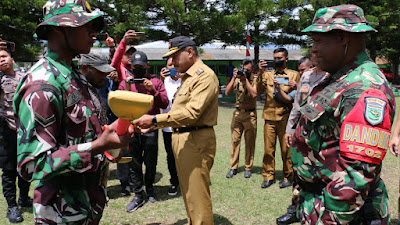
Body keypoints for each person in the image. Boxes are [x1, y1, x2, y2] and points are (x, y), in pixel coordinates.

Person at [13, 1, 133, 224]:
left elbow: (82, 132)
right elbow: (32, 165)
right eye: (85, 26)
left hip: (87, 204)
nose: (93, 33)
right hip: (60, 212)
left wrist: (112, 135)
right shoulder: (42, 82)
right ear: (59, 28)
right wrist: (98, 146)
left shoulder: (73, 76)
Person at [292, 5, 394, 224]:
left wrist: (328, 219)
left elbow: (356, 174)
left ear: (341, 37)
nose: (313, 49)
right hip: (318, 199)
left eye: (317, 41)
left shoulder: (363, 87)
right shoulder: (341, 78)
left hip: (340, 213)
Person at [134, 36, 219, 225]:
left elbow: (191, 113)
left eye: (175, 56)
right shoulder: (187, 77)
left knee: (197, 196)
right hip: (183, 137)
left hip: (195, 138)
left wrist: (155, 120)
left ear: (189, 52)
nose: (171, 62)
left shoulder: (203, 75)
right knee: (189, 193)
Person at [276, 56, 327, 225]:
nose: (316, 52)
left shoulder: (332, 75)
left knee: (319, 177)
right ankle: (295, 210)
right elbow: (297, 105)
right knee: (298, 173)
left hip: (321, 135)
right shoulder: (306, 76)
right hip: (301, 133)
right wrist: (290, 129)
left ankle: (317, 212)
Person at [121, 50, 168, 212]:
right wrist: (126, 89)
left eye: (141, 66)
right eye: (135, 67)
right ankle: (138, 194)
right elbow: (121, 107)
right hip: (132, 129)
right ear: (131, 67)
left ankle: (150, 189)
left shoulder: (156, 82)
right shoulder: (126, 82)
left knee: (151, 161)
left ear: (147, 65)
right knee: (134, 163)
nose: (138, 69)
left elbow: (164, 104)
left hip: (151, 129)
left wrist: (153, 90)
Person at [257, 48, 300, 189]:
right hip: (269, 117)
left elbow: (300, 95)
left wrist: (297, 86)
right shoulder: (267, 75)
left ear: (286, 59)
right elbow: (257, 91)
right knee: (268, 150)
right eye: (274, 58)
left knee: (285, 150)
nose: (277, 60)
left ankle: (288, 176)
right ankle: (268, 175)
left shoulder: (294, 75)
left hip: (285, 117)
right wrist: (259, 72)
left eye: (279, 58)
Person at [0, 45, 32, 223]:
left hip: (25, 131)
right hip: (7, 132)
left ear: (12, 59)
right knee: (9, 171)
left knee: (26, 166)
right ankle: (12, 206)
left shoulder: (25, 77)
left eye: (4, 56)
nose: (1, 59)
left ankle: (24, 198)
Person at [224, 59, 257, 179]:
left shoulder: (255, 79)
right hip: (237, 114)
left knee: (249, 142)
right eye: (243, 69)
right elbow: (227, 93)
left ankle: (248, 167)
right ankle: (233, 167)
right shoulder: (237, 78)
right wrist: (234, 78)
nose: (244, 71)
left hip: (250, 115)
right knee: (235, 141)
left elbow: (254, 94)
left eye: (247, 70)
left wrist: (245, 80)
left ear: (252, 70)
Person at [159, 57, 182, 195]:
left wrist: (183, 77)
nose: (172, 67)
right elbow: (157, 98)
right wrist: (161, 80)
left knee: (184, 154)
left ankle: (185, 181)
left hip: (182, 124)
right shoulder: (163, 81)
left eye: (175, 65)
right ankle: (174, 182)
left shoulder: (185, 80)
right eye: (169, 65)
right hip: (167, 126)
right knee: (170, 156)